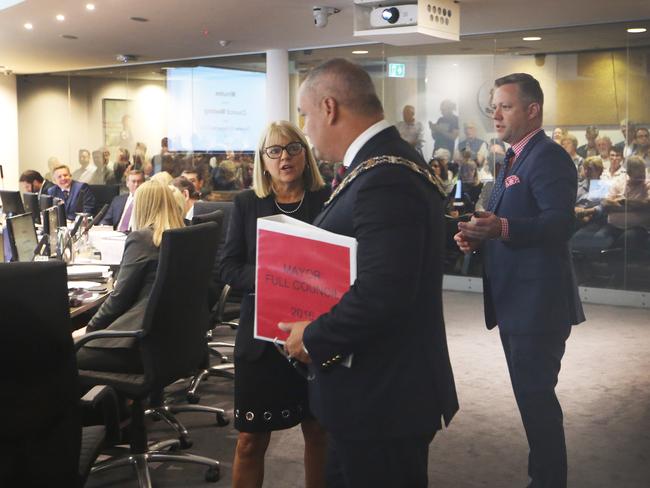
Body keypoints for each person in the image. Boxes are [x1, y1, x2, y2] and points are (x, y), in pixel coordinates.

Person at [282, 58, 458, 488]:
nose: (305, 129)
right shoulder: (385, 163)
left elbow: (384, 293)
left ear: (329, 108)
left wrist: (314, 335)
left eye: (305, 114)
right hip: (373, 392)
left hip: (383, 397)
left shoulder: (385, 176)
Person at [455, 72, 585, 488]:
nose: (495, 113)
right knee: (531, 399)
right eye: (493, 105)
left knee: (536, 400)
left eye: (505, 106)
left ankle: (548, 482)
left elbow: (561, 223)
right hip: (515, 302)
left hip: (538, 305)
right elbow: (503, 221)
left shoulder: (547, 156)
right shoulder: (512, 156)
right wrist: (477, 236)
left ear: (533, 110)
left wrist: (502, 229)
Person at [219, 120, 330, 488]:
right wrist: (278, 273)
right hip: (262, 340)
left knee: (318, 432)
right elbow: (228, 267)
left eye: (294, 148)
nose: (285, 157)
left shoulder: (326, 199)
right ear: (263, 160)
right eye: (275, 151)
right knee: (251, 442)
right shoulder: (247, 204)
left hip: (317, 336)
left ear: (305, 154)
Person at [76, 180, 185, 373]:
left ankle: (103, 402)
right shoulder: (184, 236)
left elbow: (119, 299)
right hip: (173, 342)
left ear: (142, 206)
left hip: (137, 344)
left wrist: (88, 330)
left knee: (60, 352)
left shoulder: (143, 239)